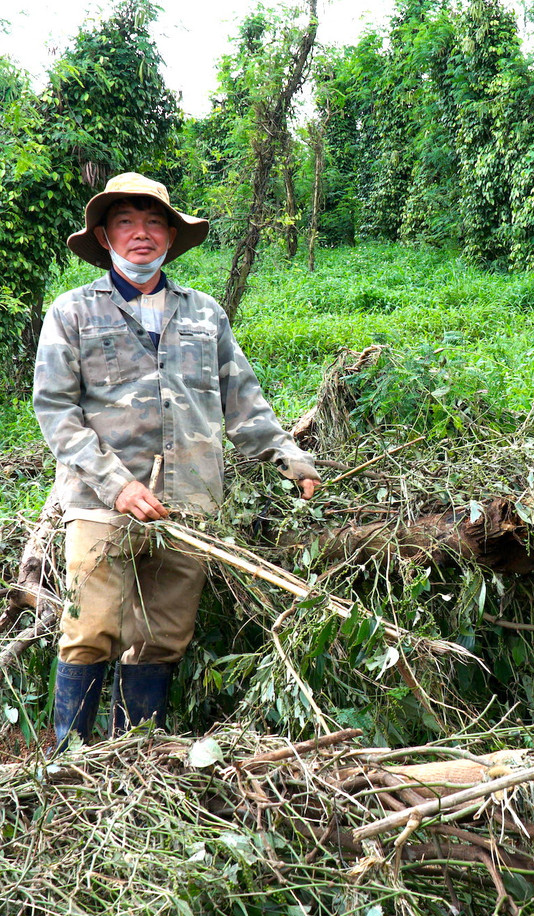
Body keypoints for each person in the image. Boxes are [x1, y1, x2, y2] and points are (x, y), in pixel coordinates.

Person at [34, 172, 320, 751]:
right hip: (99, 504)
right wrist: (116, 485)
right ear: (105, 236)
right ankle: (69, 763)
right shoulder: (72, 313)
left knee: (161, 636)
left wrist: (290, 459)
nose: (141, 234)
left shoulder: (204, 314)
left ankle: (137, 757)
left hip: (188, 504)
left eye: (153, 222)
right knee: (91, 630)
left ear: (170, 235)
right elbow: (56, 412)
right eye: (125, 223)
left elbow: (242, 402)